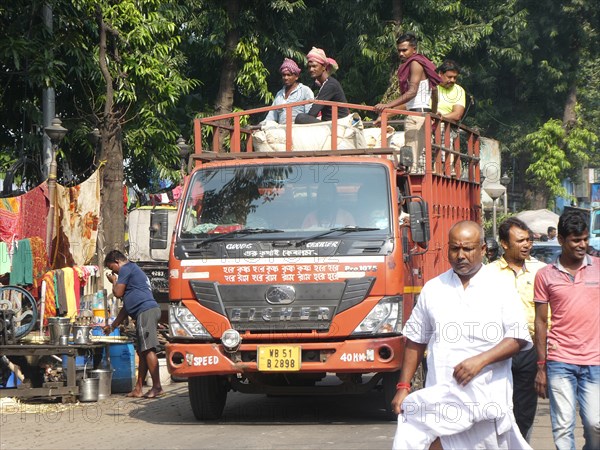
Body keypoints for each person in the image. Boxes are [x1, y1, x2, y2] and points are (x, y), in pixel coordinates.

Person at [391, 220, 532, 450]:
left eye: (467, 248)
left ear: (483, 250)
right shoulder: (434, 289)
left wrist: (480, 361)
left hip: (486, 400)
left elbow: (518, 338)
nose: (460, 255)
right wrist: (403, 386)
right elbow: (416, 338)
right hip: (441, 398)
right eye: (454, 248)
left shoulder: (501, 287)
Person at [534, 210, 600, 450]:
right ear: (561, 240)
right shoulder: (545, 276)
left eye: (585, 239)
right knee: (563, 426)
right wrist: (541, 366)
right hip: (560, 360)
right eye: (576, 240)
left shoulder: (599, 268)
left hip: (595, 361)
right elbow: (540, 322)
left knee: (595, 424)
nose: (582, 245)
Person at [488, 218, 547, 441]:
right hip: (498, 351)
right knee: (499, 408)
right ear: (504, 243)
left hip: (530, 350)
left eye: (528, 240)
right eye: (520, 240)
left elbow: (548, 315)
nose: (526, 245)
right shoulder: (488, 274)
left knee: (525, 412)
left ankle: (521, 444)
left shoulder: (541, 271)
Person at [374, 32, 441, 173]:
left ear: (414, 49)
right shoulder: (420, 62)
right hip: (420, 115)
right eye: (399, 50)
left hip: (416, 118)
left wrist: (387, 105)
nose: (401, 54)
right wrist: (387, 115)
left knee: (412, 162)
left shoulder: (415, 63)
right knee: (414, 158)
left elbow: (411, 93)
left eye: (404, 50)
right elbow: (430, 96)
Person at [103, 250, 164, 399]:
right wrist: (113, 326)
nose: (113, 272)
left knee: (148, 349)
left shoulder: (126, 268)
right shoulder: (132, 271)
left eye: (112, 268)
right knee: (142, 352)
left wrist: (114, 281)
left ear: (117, 261)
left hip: (146, 311)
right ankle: (138, 389)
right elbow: (126, 308)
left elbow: (117, 293)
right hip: (146, 311)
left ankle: (157, 387)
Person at [295, 47, 349, 124]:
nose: (311, 69)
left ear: (324, 67)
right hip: (329, 122)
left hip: (337, 124)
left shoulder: (330, 85)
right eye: (309, 67)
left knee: (300, 118)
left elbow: (313, 113)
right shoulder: (326, 84)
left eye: (314, 66)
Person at [262, 58, 314, 125]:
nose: (286, 78)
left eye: (289, 75)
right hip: (281, 130)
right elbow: (271, 117)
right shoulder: (279, 94)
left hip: (299, 129)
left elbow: (310, 115)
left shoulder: (305, 91)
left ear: (296, 77)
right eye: (284, 75)